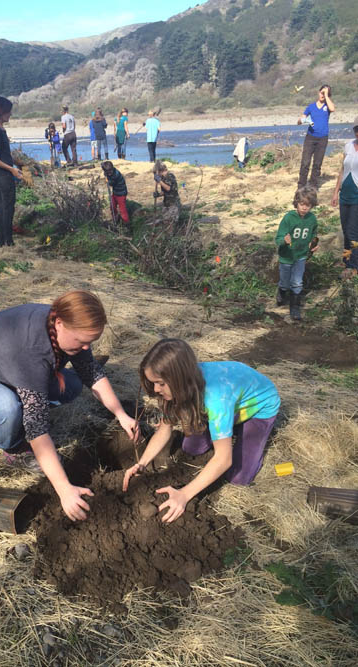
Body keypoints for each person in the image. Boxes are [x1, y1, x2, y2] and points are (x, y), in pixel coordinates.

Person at [0, 290, 138, 522]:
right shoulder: (30, 350)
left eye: (90, 342)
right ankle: (13, 448)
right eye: (82, 342)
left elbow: (90, 371)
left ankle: (20, 395)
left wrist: (120, 414)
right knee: (7, 407)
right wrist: (64, 489)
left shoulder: (66, 326)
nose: (86, 348)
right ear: (60, 324)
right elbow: (37, 429)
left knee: (71, 386)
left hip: (6, 371)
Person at [123, 339, 280, 523]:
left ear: (178, 378)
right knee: (191, 449)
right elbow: (164, 430)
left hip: (259, 408)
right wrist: (141, 463)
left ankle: (239, 429)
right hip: (229, 400)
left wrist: (184, 494)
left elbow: (224, 459)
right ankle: (228, 427)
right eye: (153, 383)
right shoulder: (180, 385)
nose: (156, 389)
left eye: (160, 383)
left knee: (239, 477)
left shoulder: (216, 400)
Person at [275, 186, 319, 320]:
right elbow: (278, 239)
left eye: (308, 205)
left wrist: (314, 244)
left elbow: (313, 234)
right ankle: (281, 292)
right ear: (296, 203)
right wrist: (284, 240)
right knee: (285, 283)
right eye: (302, 204)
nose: (305, 208)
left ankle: (294, 308)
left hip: (301, 256)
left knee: (297, 282)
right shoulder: (288, 218)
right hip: (286, 256)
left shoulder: (312, 219)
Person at [0, 96, 23, 247]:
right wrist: (11, 170)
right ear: (2, 112)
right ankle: (6, 242)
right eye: (9, 111)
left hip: (4, 174)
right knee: (5, 209)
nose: (10, 114)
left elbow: (4, 154)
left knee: (6, 208)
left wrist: (17, 162)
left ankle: (4, 241)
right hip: (2, 176)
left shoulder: (0, 128)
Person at [331, 116, 358, 280]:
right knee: (345, 230)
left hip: (357, 196)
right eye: (356, 129)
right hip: (345, 195)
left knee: (353, 231)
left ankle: (353, 266)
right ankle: (346, 258)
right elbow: (342, 169)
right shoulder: (348, 145)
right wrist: (336, 192)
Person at [297, 85, 335, 189]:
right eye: (321, 92)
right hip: (310, 138)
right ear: (318, 92)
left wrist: (326, 95)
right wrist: (303, 120)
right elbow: (299, 121)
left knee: (317, 164)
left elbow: (333, 109)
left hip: (323, 139)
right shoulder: (311, 107)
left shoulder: (328, 106)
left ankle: (313, 186)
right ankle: (301, 186)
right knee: (305, 163)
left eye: (325, 93)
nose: (322, 95)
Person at [153, 160, 181, 226]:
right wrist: (158, 194)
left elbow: (168, 188)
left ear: (161, 171)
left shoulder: (170, 176)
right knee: (164, 222)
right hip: (166, 204)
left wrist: (159, 181)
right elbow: (164, 192)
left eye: (157, 173)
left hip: (173, 204)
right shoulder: (163, 178)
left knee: (171, 223)